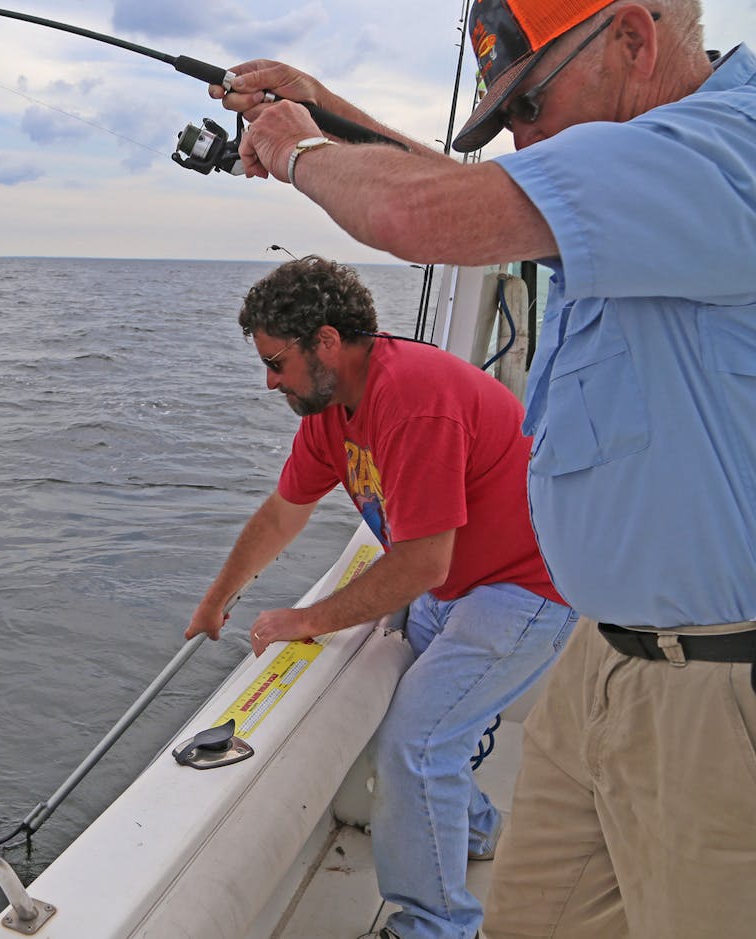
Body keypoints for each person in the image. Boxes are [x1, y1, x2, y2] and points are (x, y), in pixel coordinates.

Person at [208, 1, 756, 937]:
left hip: (727, 694)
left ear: (633, 40)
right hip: (606, 660)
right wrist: (326, 109)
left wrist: (295, 151)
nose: (520, 137)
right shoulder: (643, 181)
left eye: (528, 103)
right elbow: (475, 186)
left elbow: (422, 207)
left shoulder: (737, 149)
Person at [187, 256, 576, 939]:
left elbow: (423, 561)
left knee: (418, 741)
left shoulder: (412, 398)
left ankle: (437, 925)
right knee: (416, 717)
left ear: (327, 342)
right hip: (460, 582)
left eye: (277, 362)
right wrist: (218, 597)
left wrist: (306, 618)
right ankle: (475, 829)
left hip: (527, 583)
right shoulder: (330, 411)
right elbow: (283, 512)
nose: (269, 380)